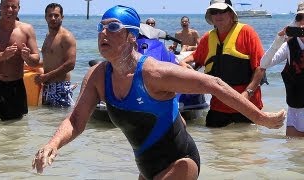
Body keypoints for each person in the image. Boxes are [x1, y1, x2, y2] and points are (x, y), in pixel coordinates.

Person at [32, 5, 285, 180]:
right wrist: (53, 143)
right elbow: (76, 121)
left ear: (132, 36)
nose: (102, 33)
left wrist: (261, 119)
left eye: (113, 27)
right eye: (101, 27)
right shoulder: (98, 75)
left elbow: (214, 84)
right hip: (147, 168)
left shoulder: (153, 73)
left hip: (180, 161)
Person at [180, 0, 266, 128]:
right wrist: (182, 62)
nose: (218, 15)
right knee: (215, 144)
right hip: (218, 106)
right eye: (214, 12)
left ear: (231, 14)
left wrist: (247, 94)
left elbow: (261, 67)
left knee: (248, 146)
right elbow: (196, 57)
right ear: (211, 16)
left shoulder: (247, 32)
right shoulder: (208, 37)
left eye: (222, 11)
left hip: (247, 105)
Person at [0, 0, 40, 121]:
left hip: (15, 86)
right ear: (0, 7)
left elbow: (36, 58)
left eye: (13, 7)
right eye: (6, 6)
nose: (9, 10)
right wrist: (2, 56)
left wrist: (28, 57)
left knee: (14, 129)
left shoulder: (27, 29)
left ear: (19, 8)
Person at [260, 2, 304, 137]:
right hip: (296, 108)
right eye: (299, 18)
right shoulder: (289, 45)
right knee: (294, 154)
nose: (303, 22)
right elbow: (264, 64)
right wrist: (279, 39)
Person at [34, 3, 77, 108]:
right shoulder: (48, 36)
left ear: (62, 17)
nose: (53, 18)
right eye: (50, 15)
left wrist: (46, 76)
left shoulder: (66, 37)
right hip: (47, 86)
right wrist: (31, 64)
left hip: (60, 87)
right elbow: (50, 60)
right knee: (48, 121)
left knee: (59, 120)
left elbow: (70, 64)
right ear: (45, 18)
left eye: (56, 15)